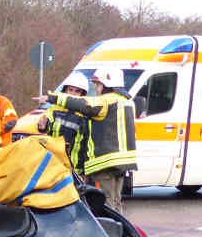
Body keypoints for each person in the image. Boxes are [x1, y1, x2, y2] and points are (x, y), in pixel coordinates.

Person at [34, 67, 136, 211]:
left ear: (107, 84)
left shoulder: (106, 101)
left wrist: (52, 98)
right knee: (115, 201)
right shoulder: (127, 101)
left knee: (105, 203)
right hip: (123, 162)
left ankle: (108, 230)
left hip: (105, 162)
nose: (97, 89)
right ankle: (118, 229)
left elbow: (84, 105)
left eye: (98, 85)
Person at [36, 71, 91, 176]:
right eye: (70, 90)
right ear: (65, 90)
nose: (72, 94)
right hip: (54, 164)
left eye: (77, 91)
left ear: (82, 94)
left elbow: (87, 144)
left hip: (75, 169)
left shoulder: (86, 114)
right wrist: (42, 126)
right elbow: (46, 125)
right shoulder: (55, 109)